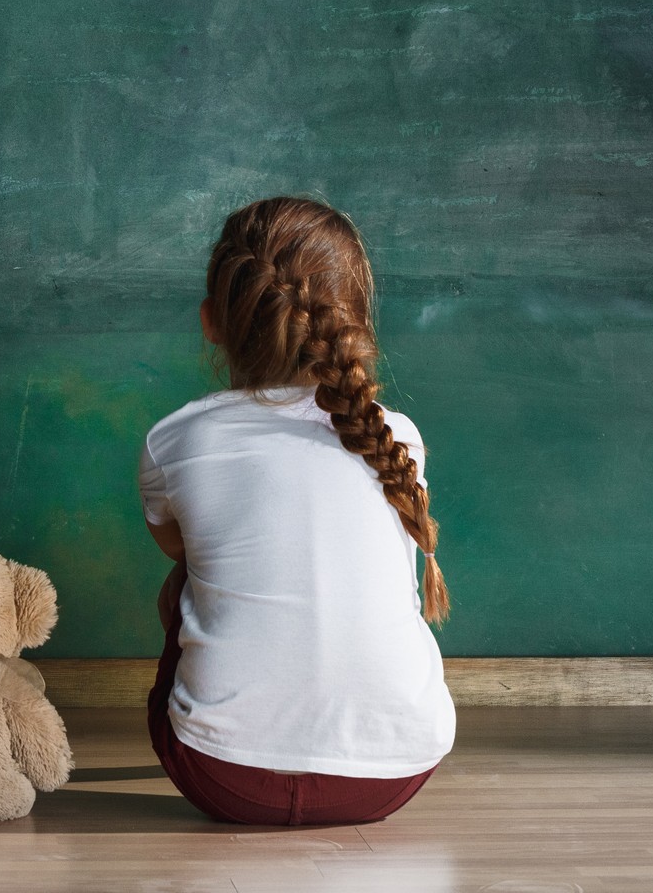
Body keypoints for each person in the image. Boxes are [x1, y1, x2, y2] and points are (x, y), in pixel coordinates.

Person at [139, 195, 456, 827]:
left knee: (184, 587)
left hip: (220, 778)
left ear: (211, 321)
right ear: (356, 325)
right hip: (393, 776)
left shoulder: (174, 440)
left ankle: (236, 723)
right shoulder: (399, 439)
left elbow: (179, 552)